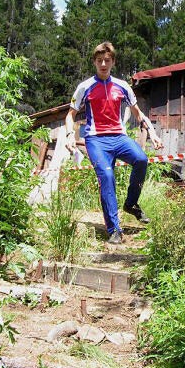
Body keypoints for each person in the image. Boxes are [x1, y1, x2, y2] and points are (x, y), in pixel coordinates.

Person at [63, 42, 163, 245]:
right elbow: (70, 115)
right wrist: (68, 135)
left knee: (141, 160)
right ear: (94, 62)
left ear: (113, 62)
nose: (103, 64)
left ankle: (131, 203)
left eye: (107, 60)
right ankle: (114, 230)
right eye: (99, 60)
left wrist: (152, 133)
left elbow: (137, 113)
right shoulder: (85, 87)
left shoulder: (122, 86)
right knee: (107, 177)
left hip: (119, 136)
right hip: (96, 139)